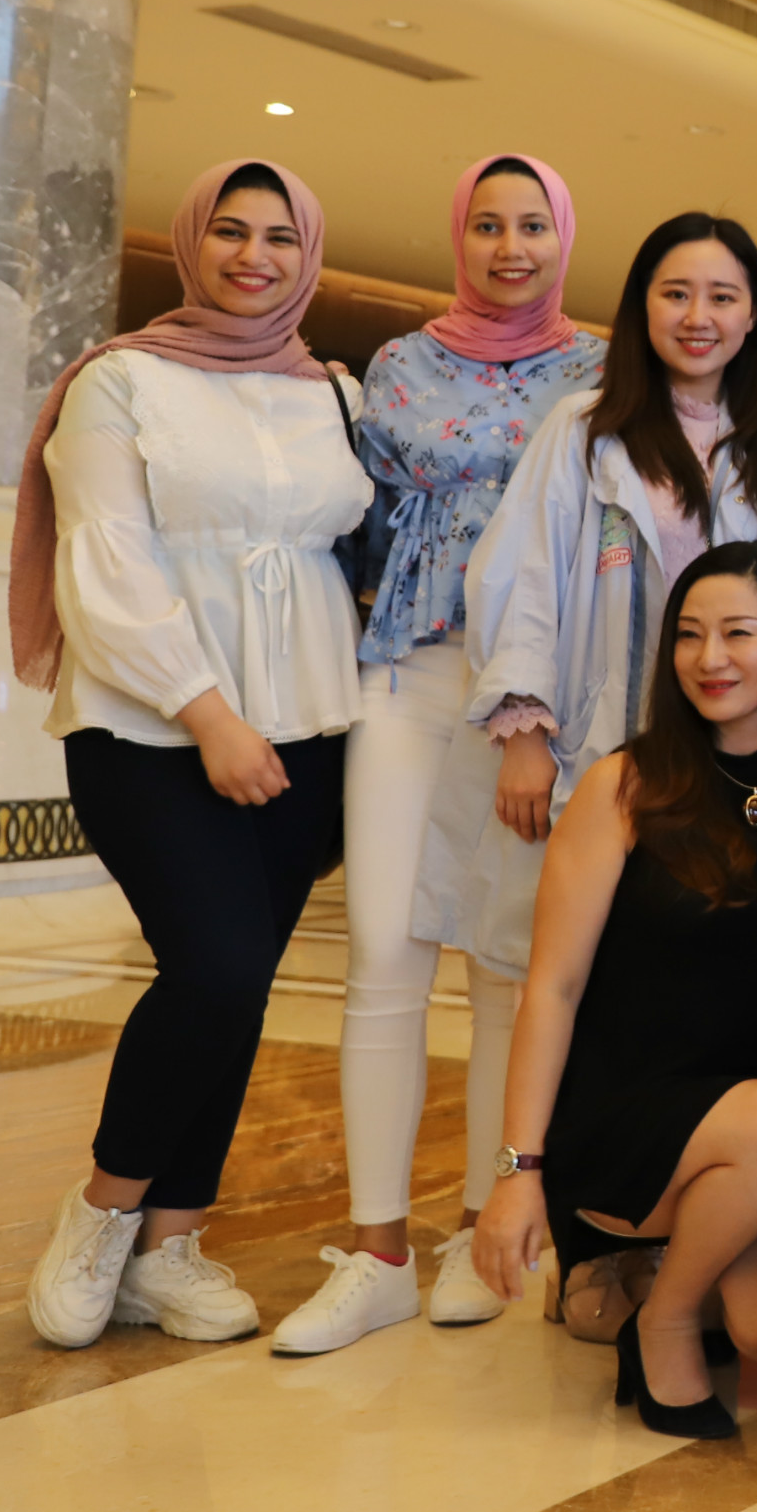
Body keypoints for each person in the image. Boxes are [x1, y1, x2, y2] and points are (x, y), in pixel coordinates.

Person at [16, 161, 373, 1352]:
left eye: (280, 236)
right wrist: (208, 713)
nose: (253, 256)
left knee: (243, 988)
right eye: (230, 230)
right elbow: (105, 561)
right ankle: (101, 1212)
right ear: (191, 242)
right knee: (213, 970)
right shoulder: (119, 381)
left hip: (308, 725)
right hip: (150, 727)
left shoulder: (334, 392)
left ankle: (170, 1246)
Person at [445, 211, 757, 1334]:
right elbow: (522, 576)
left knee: (691, 990)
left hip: (732, 770)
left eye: (722, 297)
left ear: (752, 318)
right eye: (674, 293)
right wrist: (525, 727)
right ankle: (576, 1226)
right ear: (639, 308)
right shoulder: (585, 430)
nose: (698, 317)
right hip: (606, 759)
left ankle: (670, 1232)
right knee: (571, 985)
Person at [277, 153, 609, 1358]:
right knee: (382, 948)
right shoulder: (398, 363)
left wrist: (540, 718)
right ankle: (374, 1253)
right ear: (458, 234)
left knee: (503, 965)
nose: (509, 247)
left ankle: (482, 1228)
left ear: (562, 238)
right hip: (408, 670)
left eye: (532, 226)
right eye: (487, 224)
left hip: (532, 694)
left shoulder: (599, 374)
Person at [472, 542, 757, 1437]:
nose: (708, 658)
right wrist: (517, 1173)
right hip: (629, 1117)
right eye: (688, 635)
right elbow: (553, 988)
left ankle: (679, 1280)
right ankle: (666, 1315)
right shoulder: (627, 784)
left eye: (738, 633)